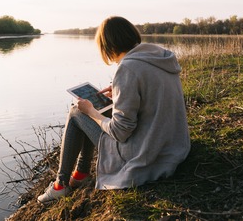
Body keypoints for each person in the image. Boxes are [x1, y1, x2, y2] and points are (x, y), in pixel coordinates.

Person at [37, 16, 190, 203]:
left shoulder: (128, 68)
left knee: (77, 112)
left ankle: (61, 184)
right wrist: (120, 91)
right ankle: (79, 174)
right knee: (91, 111)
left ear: (107, 45)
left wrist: (91, 112)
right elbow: (149, 94)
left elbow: (120, 132)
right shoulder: (158, 56)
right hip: (171, 147)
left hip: (147, 155)